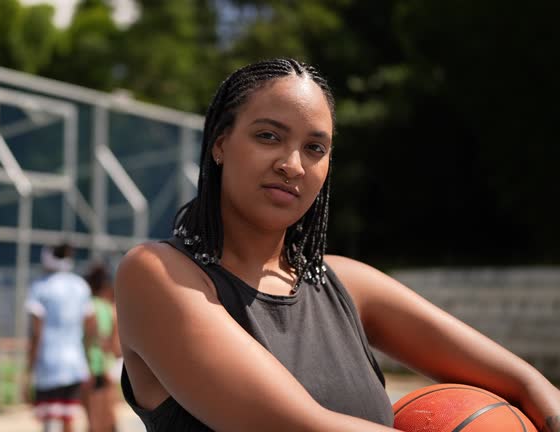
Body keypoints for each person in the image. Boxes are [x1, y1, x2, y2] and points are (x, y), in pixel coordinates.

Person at [113, 58, 560, 431]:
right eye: (268, 136)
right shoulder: (157, 274)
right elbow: (301, 426)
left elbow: (528, 385)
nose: (292, 165)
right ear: (220, 144)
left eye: (315, 148)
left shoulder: (345, 283)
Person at [24, 243, 96, 432]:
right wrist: (88, 361)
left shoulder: (40, 287)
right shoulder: (80, 286)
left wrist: (28, 369)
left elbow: (36, 333)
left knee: (49, 418)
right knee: (68, 417)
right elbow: (90, 328)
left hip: (48, 361)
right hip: (75, 362)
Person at [82, 262, 121, 432]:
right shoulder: (111, 308)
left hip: (93, 365)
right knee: (109, 413)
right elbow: (115, 345)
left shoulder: (89, 307)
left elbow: (88, 339)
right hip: (108, 365)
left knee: (93, 417)